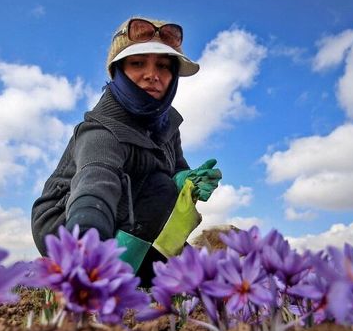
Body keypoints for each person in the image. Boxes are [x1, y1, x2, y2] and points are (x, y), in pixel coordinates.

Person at [31, 17, 222, 285]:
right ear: (118, 70)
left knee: (192, 272)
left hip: (133, 214)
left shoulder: (167, 126)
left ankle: (132, 271)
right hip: (68, 224)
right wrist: (86, 244)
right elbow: (95, 183)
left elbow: (176, 169)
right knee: (160, 188)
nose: (152, 74)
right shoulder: (102, 130)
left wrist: (187, 179)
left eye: (164, 66)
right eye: (137, 63)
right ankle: (102, 279)